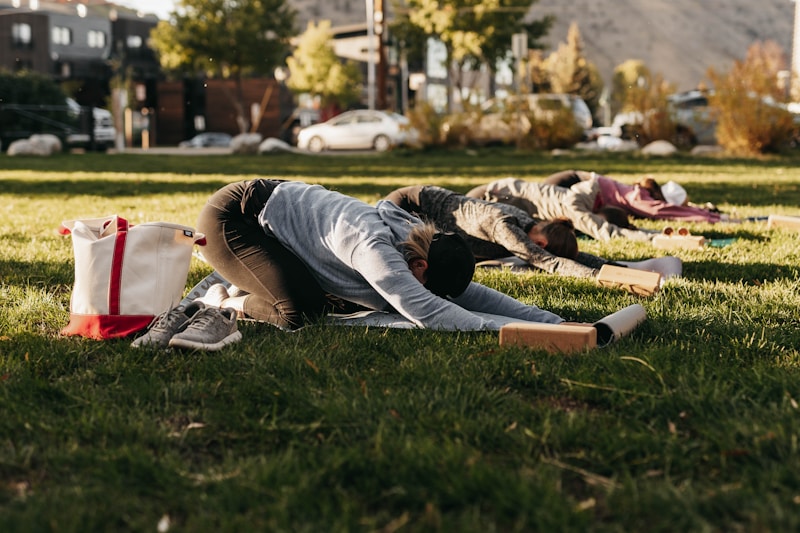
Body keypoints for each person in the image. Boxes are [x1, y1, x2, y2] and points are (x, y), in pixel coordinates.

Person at [194, 179, 564, 331]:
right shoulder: (375, 249)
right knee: (299, 312)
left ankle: (252, 277)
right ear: (420, 266)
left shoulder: (420, 247)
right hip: (232, 221)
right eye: (427, 285)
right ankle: (227, 299)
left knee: (315, 299)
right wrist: (516, 330)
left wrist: (552, 322)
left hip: (269, 216)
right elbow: (429, 311)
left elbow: (468, 296)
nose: (426, 291)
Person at [384, 185, 621, 279]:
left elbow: (567, 258)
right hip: (408, 205)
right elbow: (550, 263)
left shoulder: (532, 225)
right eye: (539, 248)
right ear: (543, 244)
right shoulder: (506, 227)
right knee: (398, 262)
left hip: (427, 206)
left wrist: (612, 266)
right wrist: (597, 276)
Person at [467, 170, 725, 242]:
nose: (594, 225)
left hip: (502, 192)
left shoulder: (584, 195)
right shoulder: (576, 207)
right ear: (599, 214)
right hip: (491, 195)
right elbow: (608, 232)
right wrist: (654, 236)